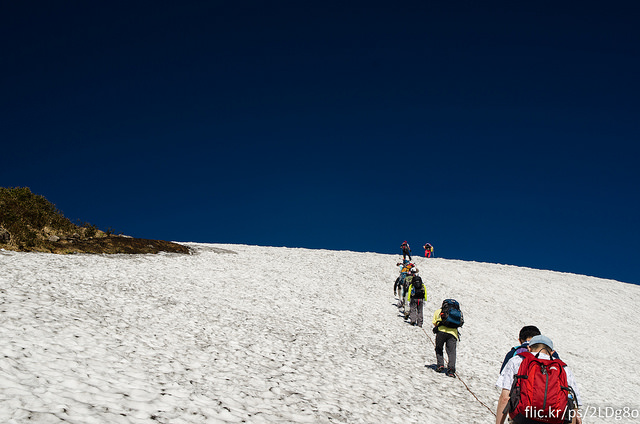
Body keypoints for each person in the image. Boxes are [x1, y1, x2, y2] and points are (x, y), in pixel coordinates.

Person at [496, 335, 582, 424]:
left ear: (529, 348)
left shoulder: (517, 360)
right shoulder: (563, 368)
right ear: (552, 352)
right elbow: (573, 402)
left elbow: (505, 398)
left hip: (522, 417)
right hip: (553, 418)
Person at [432, 299, 462, 377]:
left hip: (441, 332)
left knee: (439, 348)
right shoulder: (457, 312)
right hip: (453, 334)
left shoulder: (439, 311)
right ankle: (451, 370)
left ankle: (440, 365)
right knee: (451, 352)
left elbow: (435, 323)